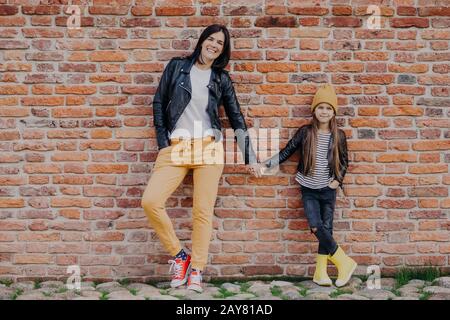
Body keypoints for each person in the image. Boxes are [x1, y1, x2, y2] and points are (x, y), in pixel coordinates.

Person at [141, 24, 260, 293]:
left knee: (202, 212)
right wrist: (163, 144)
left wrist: (249, 156)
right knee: (150, 201)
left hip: (208, 147)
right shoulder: (176, 67)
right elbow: (159, 103)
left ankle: (197, 270)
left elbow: (236, 118)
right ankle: (180, 256)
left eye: (220, 43)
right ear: (202, 41)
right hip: (177, 147)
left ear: (222, 50)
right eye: (211, 39)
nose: (214, 45)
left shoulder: (221, 79)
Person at [255, 84, 357, 287]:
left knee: (326, 228)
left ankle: (320, 273)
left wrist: (338, 180)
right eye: (320, 107)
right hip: (309, 188)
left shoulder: (339, 136)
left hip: (328, 189)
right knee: (316, 226)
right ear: (314, 110)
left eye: (329, 108)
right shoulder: (305, 132)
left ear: (334, 111)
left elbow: (344, 161)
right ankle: (343, 261)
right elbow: (286, 152)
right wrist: (265, 165)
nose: (324, 111)